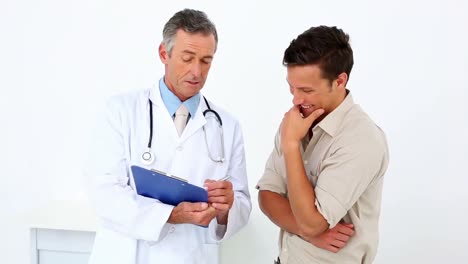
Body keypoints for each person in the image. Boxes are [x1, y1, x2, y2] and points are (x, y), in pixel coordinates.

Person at [86, 9, 251, 264]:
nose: (197, 71)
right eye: (188, 58)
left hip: (191, 255)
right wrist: (171, 214)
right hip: (129, 255)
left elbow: (241, 203)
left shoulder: (226, 126)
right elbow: (105, 194)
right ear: (164, 53)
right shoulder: (120, 111)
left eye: (206, 60)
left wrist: (227, 207)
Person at [256, 25, 389, 264]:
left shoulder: (361, 139)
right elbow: (267, 196)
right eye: (292, 87)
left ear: (339, 81)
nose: (296, 99)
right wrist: (307, 232)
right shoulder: (296, 122)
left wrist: (290, 144)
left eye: (306, 90)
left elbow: (313, 222)